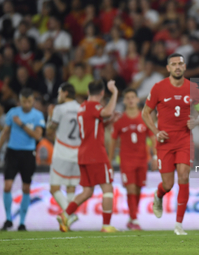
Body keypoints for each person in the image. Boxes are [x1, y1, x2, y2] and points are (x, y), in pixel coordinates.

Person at [142, 53, 199, 235]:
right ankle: (158, 195)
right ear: (168, 68)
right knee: (168, 184)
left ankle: (178, 225)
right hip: (165, 141)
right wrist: (156, 132)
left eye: (180, 64)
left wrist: (197, 120)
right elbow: (145, 112)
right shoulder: (159, 87)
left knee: (184, 176)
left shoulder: (193, 88)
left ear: (184, 67)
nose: (177, 67)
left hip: (184, 139)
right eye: (173, 64)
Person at [57, 80, 118, 233]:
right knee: (107, 188)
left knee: (87, 191)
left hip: (83, 154)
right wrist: (115, 92)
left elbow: (94, 125)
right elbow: (107, 111)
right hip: (96, 153)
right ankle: (106, 225)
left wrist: (108, 120)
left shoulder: (82, 107)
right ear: (102, 93)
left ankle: (65, 214)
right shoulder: (94, 106)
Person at [109, 88, 157, 231]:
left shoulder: (145, 118)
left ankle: (132, 217)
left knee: (138, 188)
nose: (130, 100)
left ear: (137, 100)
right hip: (126, 159)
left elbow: (152, 137)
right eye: (127, 98)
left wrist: (155, 156)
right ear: (124, 101)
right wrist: (109, 161)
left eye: (133, 97)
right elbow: (112, 141)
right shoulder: (119, 120)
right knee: (130, 187)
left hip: (142, 159)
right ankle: (134, 219)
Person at [0, 88, 45, 231]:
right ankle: (8, 219)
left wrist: (21, 124)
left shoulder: (37, 115)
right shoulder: (13, 113)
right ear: (20, 101)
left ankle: (22, 222)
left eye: (29, 101)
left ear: (33, 101)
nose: (27, 104)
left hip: (28, 154)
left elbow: (38, 136)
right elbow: (5, 132)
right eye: (24, 101)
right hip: (12, 152)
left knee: (26, 187)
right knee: (7, 186)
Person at [46, 83, 81, 229]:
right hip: (78, 152)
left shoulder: (59, 109)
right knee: (71, 186)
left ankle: (69, 214)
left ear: (65, 93)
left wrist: (49, 116)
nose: (58, 96)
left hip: (62, 152)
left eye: (59, 92)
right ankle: (68, 221)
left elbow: (49, 131)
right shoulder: (81, 108)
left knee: (54, 188)